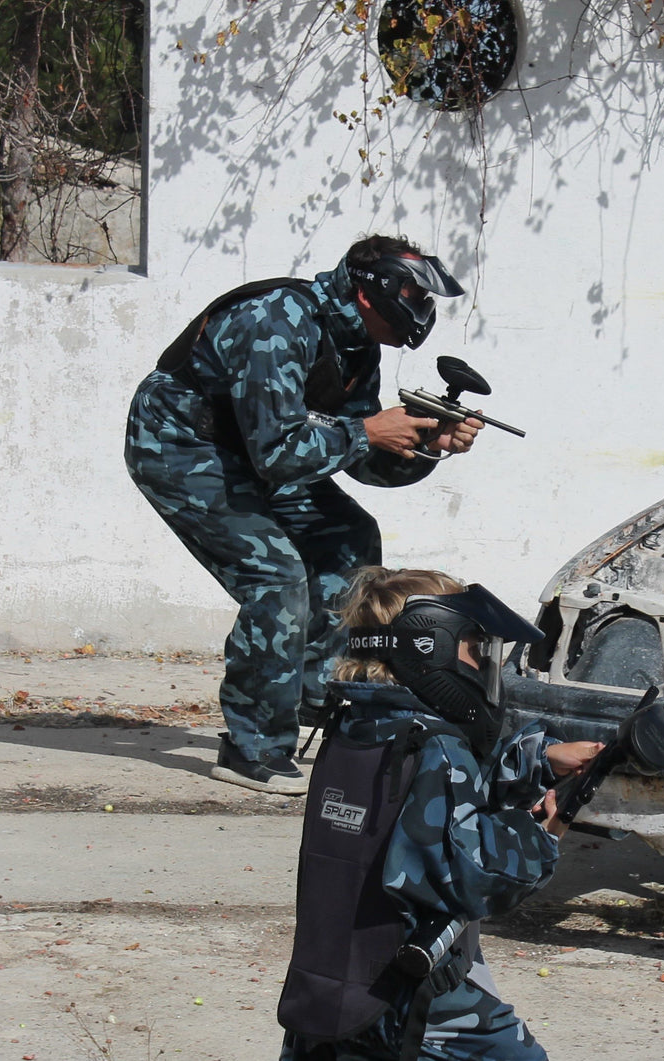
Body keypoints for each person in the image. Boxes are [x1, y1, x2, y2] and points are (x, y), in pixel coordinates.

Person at [125, 234, 484, 795]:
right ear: (373, 291)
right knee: (276, 577)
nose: (422, 311)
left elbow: (363, 463)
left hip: (256, 455)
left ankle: (320, 701)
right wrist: (366, 430)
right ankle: (253, 748)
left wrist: (429, 443)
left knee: (349, 538)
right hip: (183, 447)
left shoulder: (355, 341)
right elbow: (279, 453)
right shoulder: (275, 322)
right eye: (415, 295)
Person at [276, 566, 602, 1060]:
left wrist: (538, 759)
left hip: (336, 980)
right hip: (421, 996)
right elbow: (477, 875)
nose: (481, 663)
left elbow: (422, 806)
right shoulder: (436, 747)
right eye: (475, 645)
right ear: (433, 646)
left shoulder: (355, 727)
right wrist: (544, 831)